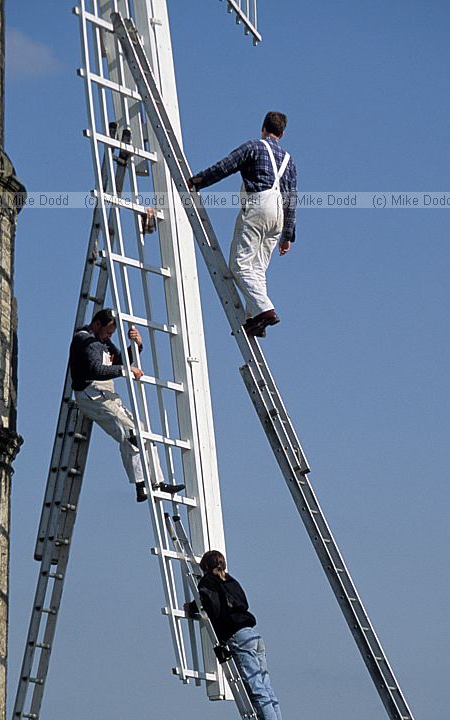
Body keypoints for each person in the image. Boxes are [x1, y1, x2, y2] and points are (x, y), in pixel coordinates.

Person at [188, 111, 297, 339]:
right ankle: (254, 319)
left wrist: (198, 181)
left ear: (263, 128)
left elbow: (225, 166)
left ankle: (265, 311)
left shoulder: (254, 147)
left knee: (239, 265)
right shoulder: (289, 161)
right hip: (278, 215)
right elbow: (291, 198)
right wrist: (287, 235)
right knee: (257, 270)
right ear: (282, 133)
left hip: (258, 206)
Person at [69, 309, 184, 503]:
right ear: (97, 325)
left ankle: (157, 481)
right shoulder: (86, 341)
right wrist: (125, 370)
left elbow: (120, 360)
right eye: (108, 332)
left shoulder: (102, 341)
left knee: (142, 431)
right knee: (131, 433)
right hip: (91, 393)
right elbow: (95, 369)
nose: (109, 336)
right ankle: (141, 484)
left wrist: (136, 345)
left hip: (105, 393)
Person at [186, 550, 287, 720]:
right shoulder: (231, 581)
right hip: (254, 636)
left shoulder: (208, 583)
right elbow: (239, 604)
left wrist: (193, 608)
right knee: (265, 687)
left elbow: (213, 608)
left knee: (255, 688)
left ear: (205, 566)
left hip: (238, 636)